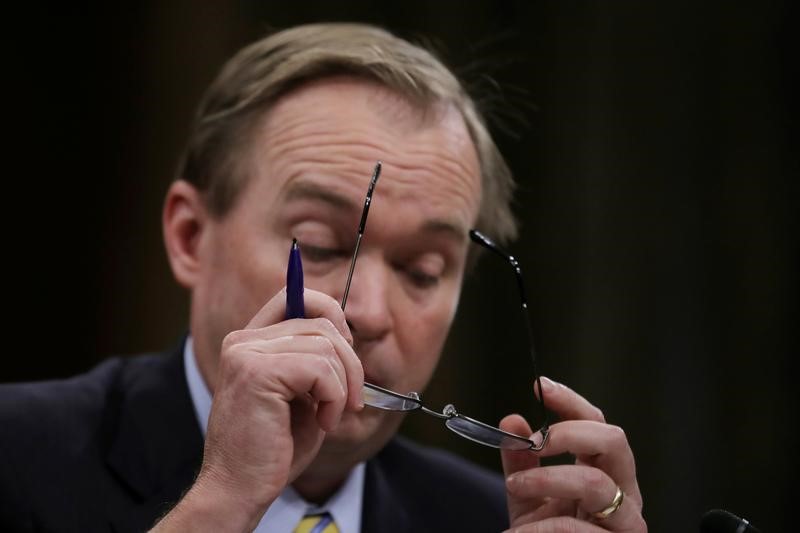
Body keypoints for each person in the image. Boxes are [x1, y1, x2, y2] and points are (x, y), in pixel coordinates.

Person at [0, 23, 646, 532]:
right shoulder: (19, 456)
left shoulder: (493, 517)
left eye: (423, 270)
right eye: (318, 244)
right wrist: (221, 503)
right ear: (190, 236)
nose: (365, 311)